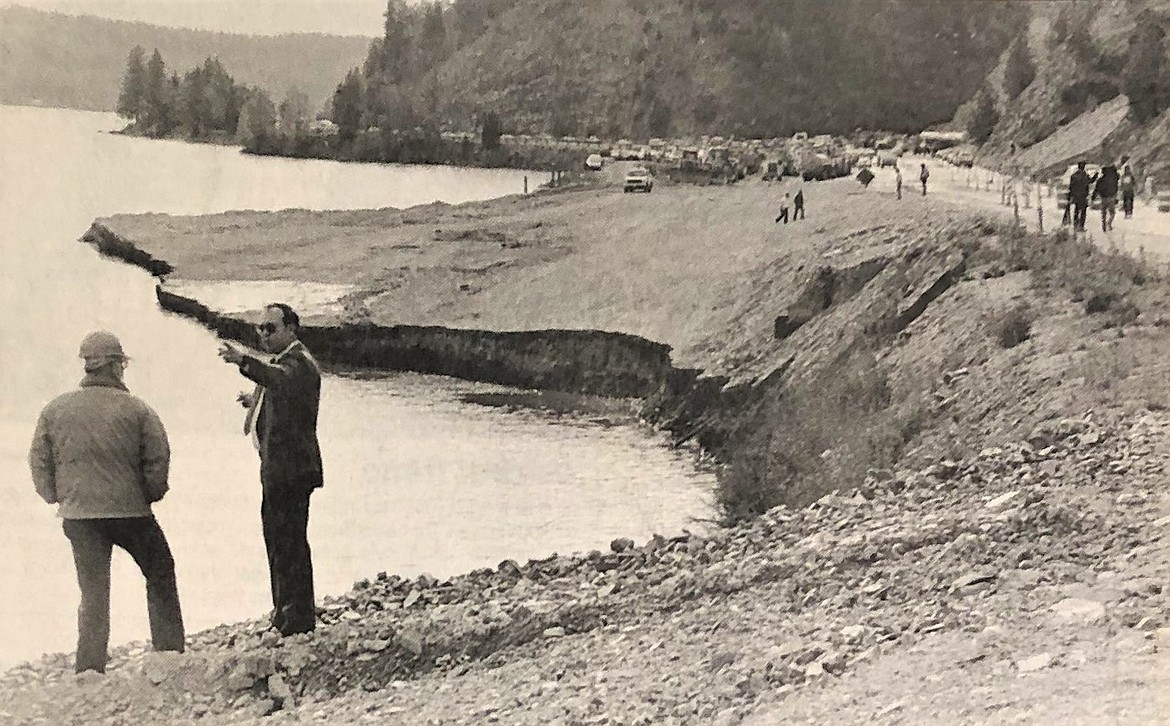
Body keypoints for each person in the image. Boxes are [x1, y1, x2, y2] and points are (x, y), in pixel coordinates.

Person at [29, 331, 184, 673]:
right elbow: (158, 460)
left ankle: (90, 666)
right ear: (116, 366)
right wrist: (149, 494)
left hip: (79, 515)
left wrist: (54, 495)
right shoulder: (139, 409)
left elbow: (38, 459)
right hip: (130, 512)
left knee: (93, 591)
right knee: (159, 570)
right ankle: (169, 654)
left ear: (87, 367)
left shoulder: (55, 409)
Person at [219, 303, 323, 636]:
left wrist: (243, 362)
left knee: (288, 542)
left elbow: (280, 381)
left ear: (292, 329)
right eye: (260, 328)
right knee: (279, 540)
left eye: (270, 328)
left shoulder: (299, 364)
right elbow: (282, 396)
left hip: (290, 471)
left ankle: (296, 618)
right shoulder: (288, 363)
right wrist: (255, 403)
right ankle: (285, 612)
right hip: (281, 469)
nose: (263, 334)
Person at [1068, 161, 1093, 232]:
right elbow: (1090, 181)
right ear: (1084, 167)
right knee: (1083, 212)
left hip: (1076, 196)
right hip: (1083, 196)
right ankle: (1081, 226)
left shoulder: (1074, 176)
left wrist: (1070, 196)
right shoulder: (1085, 175)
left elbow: (1071, 187)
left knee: (1076, 210)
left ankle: (1075, 225)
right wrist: (1096, 176)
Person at [1095, 163, 1119, 231]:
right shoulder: (1114, 179)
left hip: (1104, 197)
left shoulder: (1101, 179)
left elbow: (1097, 188)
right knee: (1112, 212)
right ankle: (1109, 223)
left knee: (1103, 212)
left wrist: (1094, 195)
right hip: (1111, 197)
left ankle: (1104, 225)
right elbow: (1117, 179)